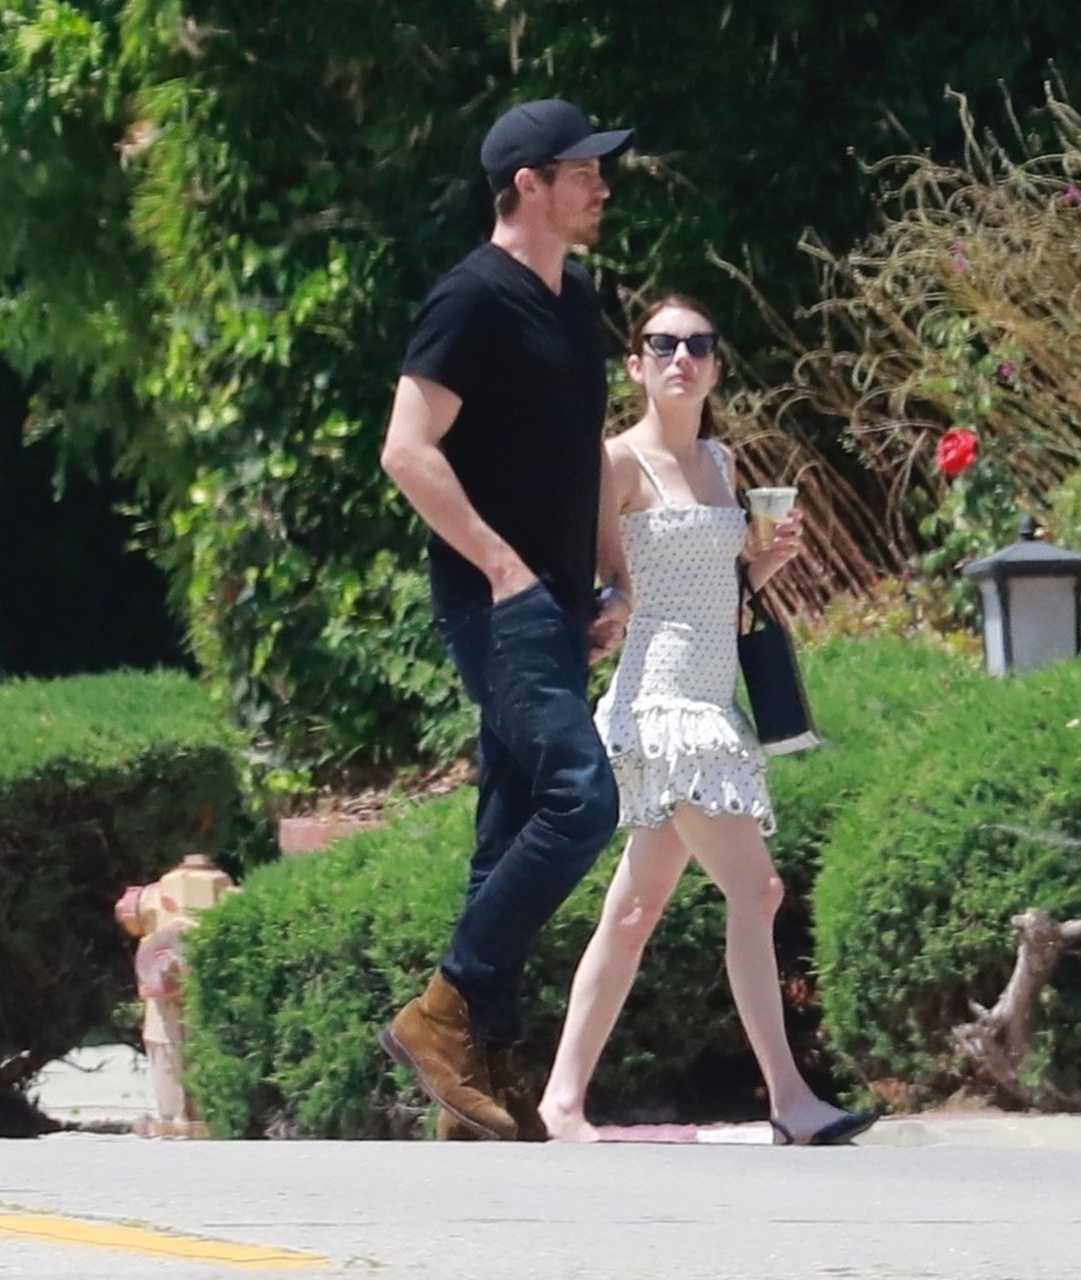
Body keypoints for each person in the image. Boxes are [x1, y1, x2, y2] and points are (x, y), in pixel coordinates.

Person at [535, 295, 878, 1146]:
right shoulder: (618, 463)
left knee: (633, 912)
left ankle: (561, 1102)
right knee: (757, 890)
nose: (680, 358)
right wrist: (601, 612)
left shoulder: (721, 464)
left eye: (696, 345)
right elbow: (588, 579)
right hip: (660, 706)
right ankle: (790, 1098)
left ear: (717, 367)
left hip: (712, 697)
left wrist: (762, 565)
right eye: (662, 345)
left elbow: (719, 598)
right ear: (637, 367)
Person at [376, 99, 636, 1141]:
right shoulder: (472, 299)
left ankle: (468, 1077)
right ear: (528, 182)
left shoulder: (576, 300)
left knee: (510, 823)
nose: (601, 185)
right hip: (500, 602)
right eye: (583, 170)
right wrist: (502, 568)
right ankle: (442, 1009)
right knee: (583, 798)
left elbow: (587, 453)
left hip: (559, 600)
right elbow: (406, 448)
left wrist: (610, 573)